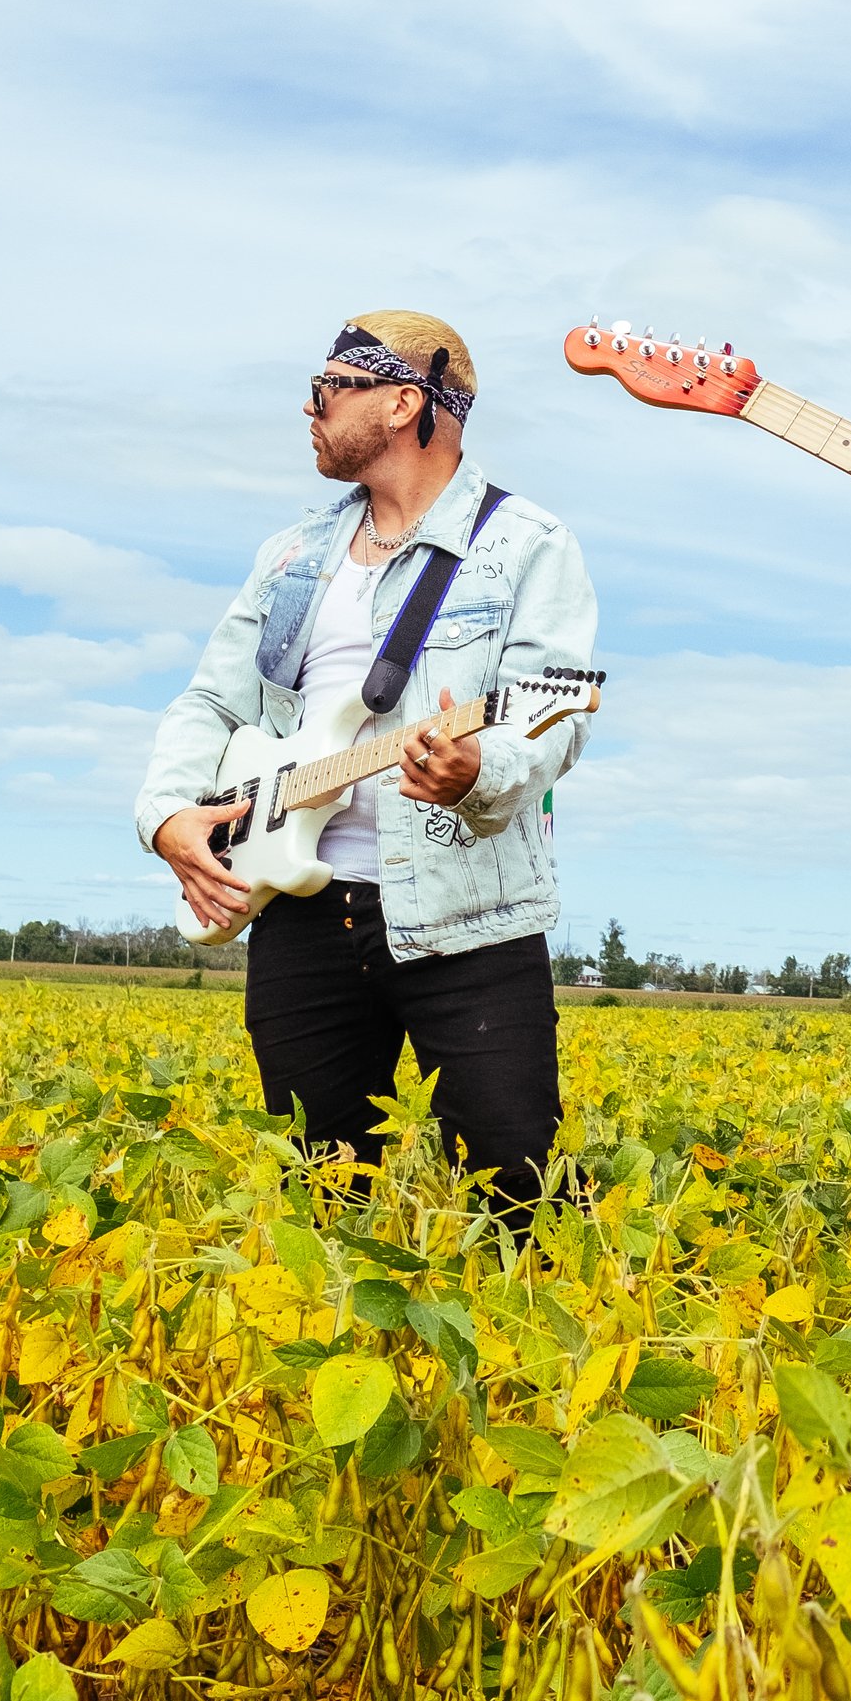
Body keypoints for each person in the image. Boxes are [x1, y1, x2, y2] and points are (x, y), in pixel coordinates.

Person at [139, 312, 598, 1227]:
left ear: (402, 401)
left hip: (469, 916)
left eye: (326, 389)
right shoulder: (291, 555)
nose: (307, 409)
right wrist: (166, 815)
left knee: (523, 1196)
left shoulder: (526, 543)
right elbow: (212, 703)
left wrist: (478, 770)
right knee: (318, 1197)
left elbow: (555, 714)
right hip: (301, 914)